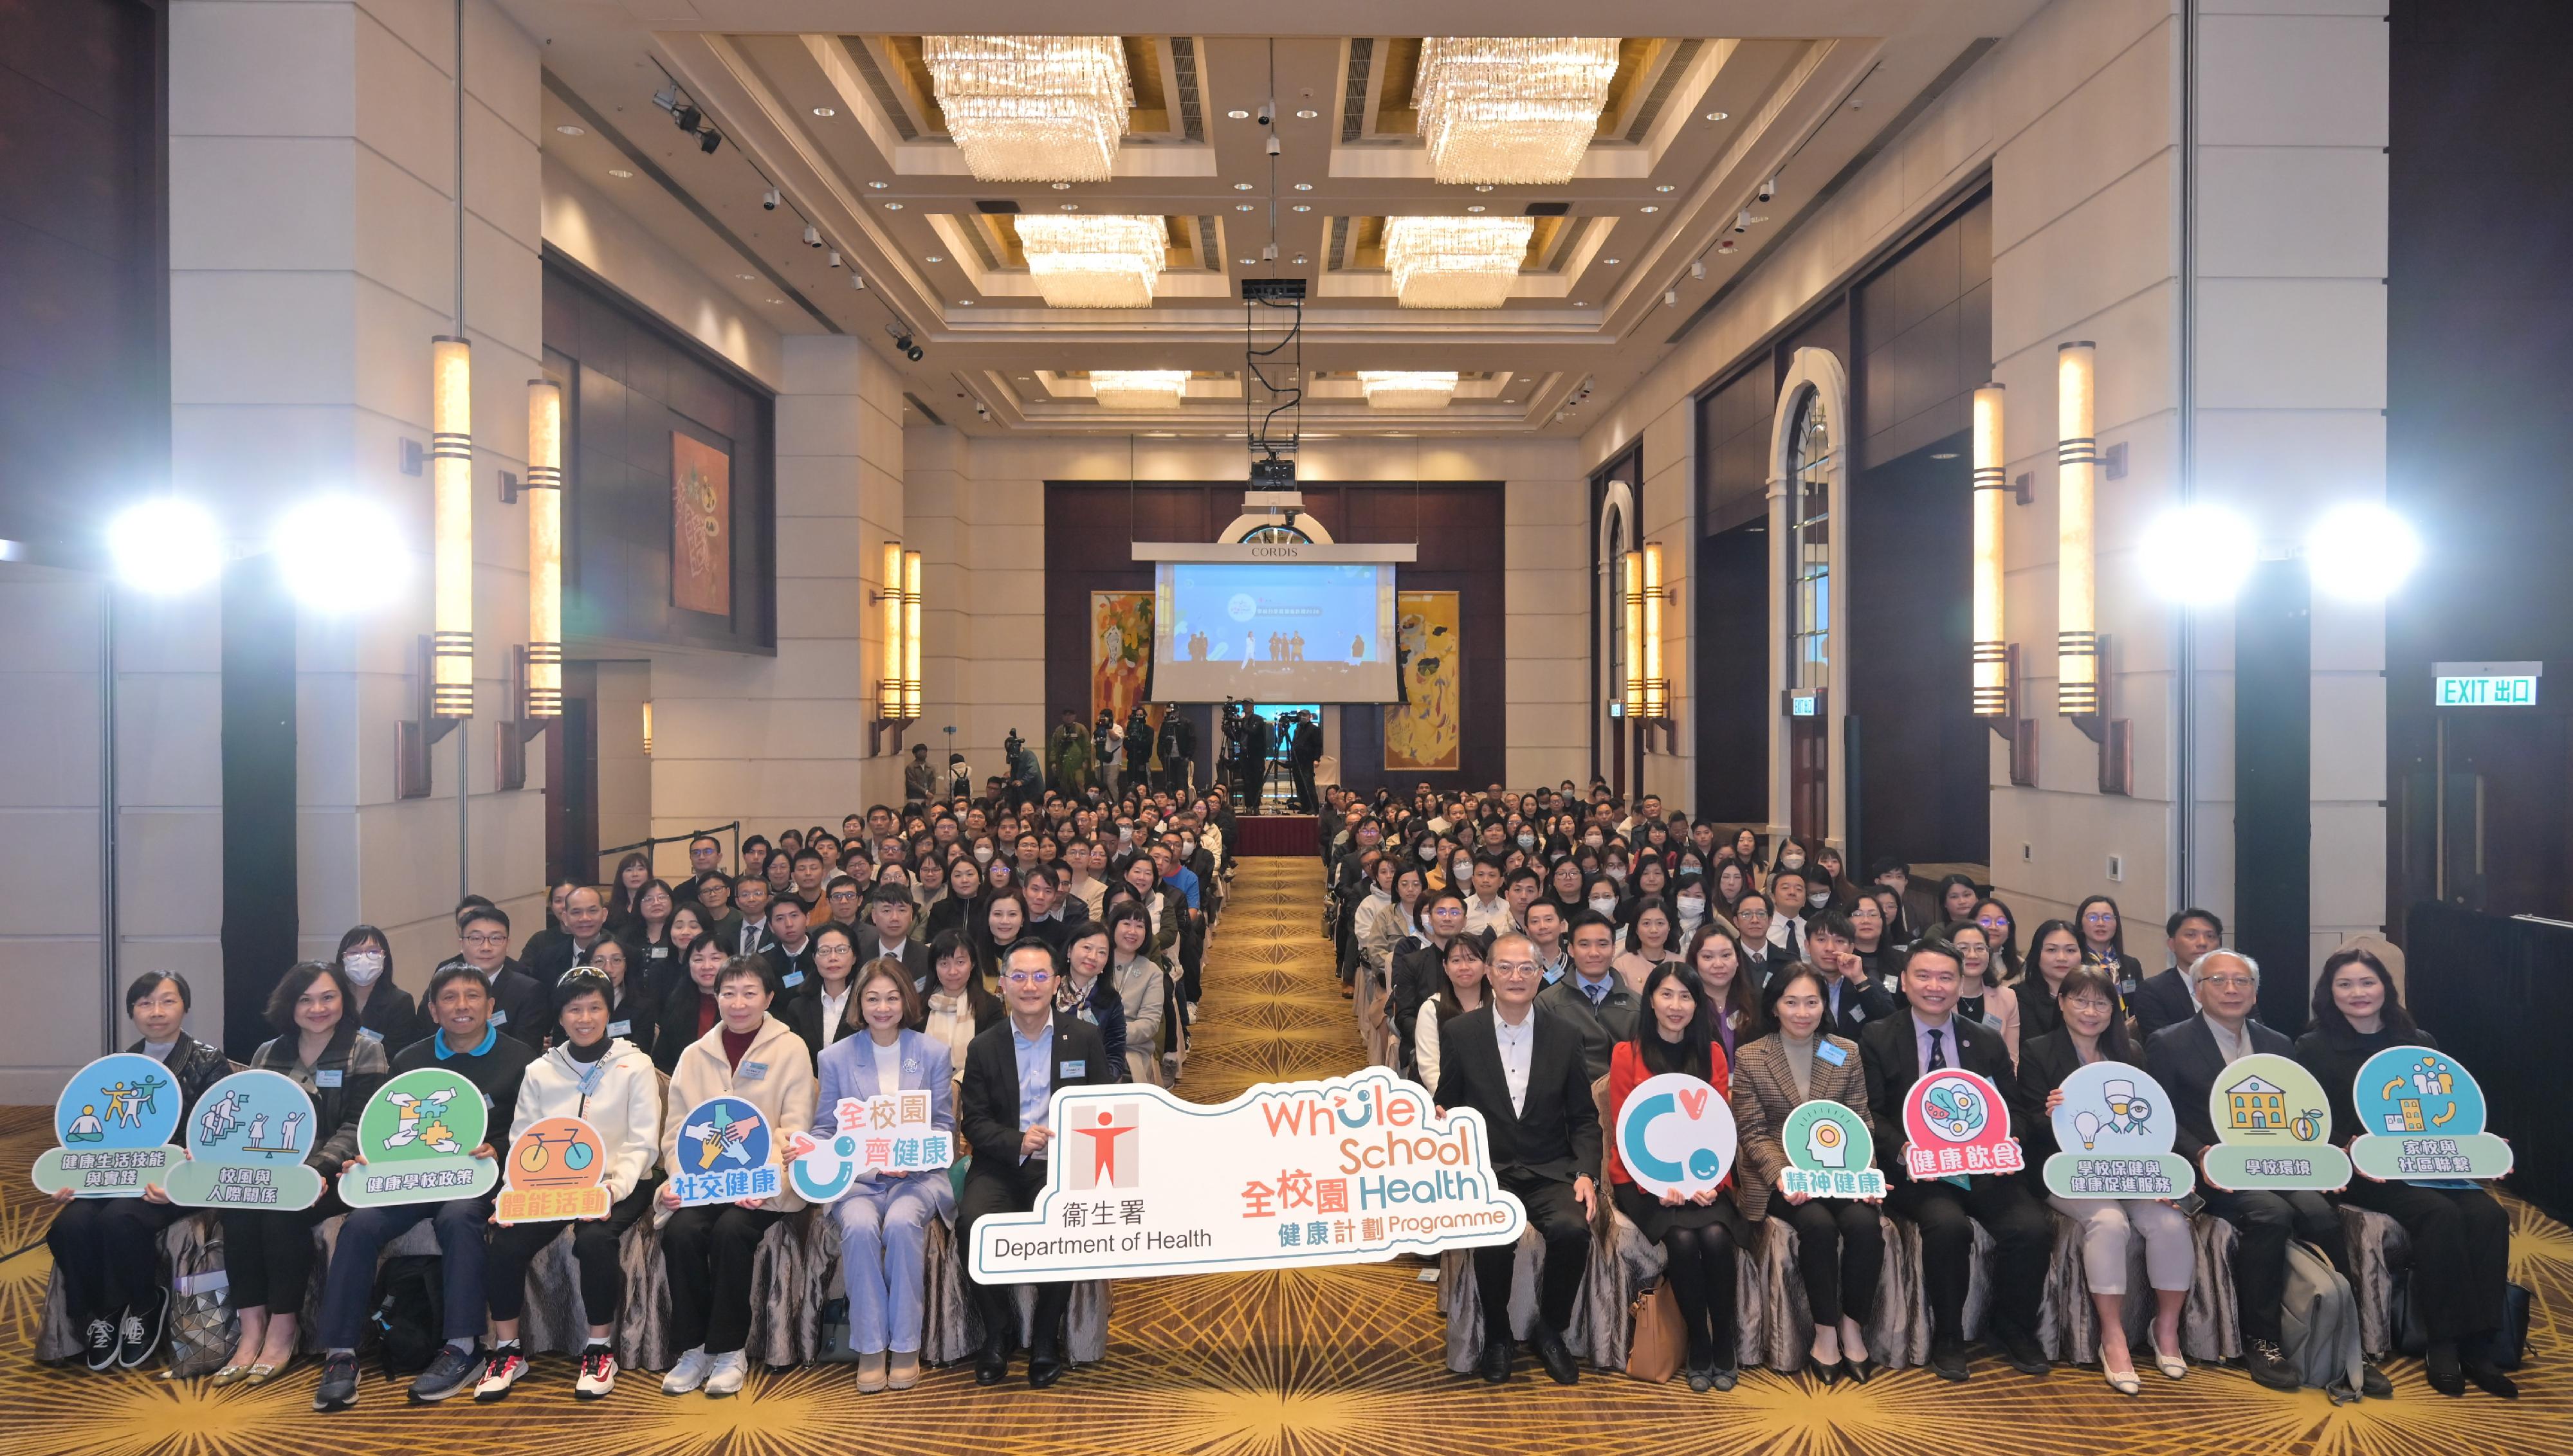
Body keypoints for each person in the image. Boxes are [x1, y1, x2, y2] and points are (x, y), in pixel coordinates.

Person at [2146, 949, 2377, 1395]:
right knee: (2271, 1213)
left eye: (2243, 981)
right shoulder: (2168, 1042)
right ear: (2198, 991)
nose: (2231, 989)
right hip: (2214, 1172)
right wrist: (2199, 1153)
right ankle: (2262, 1339)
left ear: (2255, 993)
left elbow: (2298, 1112)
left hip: (2276, 1163)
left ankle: (2348, 1343)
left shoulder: (2278, 1044)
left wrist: (2321, 1156)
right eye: (2218, 981)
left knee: (2321, 1214)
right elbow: (2162, 1115)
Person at [2296, 947, 2515, 1399]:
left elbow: (2446, 1107)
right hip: (2366, 1170)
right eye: (2345, 984)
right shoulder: (2312, 1047)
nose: (2358, 992)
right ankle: (2443, 1342)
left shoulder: (2419, 1041)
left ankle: (2480, 1344)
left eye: (2367, 982)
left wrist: (2481, 1146)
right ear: (2329, 992)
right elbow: (2308, 1117)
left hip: (2430, 1160)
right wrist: (2347, 1145)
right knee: (2439, 1215)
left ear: (2386, 987)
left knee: (2489, 1216)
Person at [313, 963, 532, 1410]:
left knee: (459, 1218)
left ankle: (463, 1347)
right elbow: (388, 1127)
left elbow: (532, 1130)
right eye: (449, 998)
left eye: (473, 996)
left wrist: (500, 1147)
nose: (461, 1006)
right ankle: (340, 1353)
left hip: (475, 1178)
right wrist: (371, 1157)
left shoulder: (521, 1059)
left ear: (490, 1005)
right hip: (411, 1179)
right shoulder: (409, 1062)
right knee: (360, 1225)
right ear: (433, 1010)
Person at [1860, 940, 2053, 1382]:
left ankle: (2013, 1327)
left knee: (2031, 1228)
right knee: (1948, 1227)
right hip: (1918, 1172)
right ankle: (1949, 1335)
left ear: (1961, 982)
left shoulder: (1985, 1039)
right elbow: (1869, 1111)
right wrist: (1902, 1148)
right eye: (1923, 976)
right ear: (1904, 981)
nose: (1935, 986)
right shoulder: (1877, 1036)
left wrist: (2009, 1141)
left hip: (1982, 1167)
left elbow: (2013, 1110)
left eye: (1946, 977)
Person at [475, 968, 661, 1402]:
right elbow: (523, 1141)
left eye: (595, 1007)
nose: (585, 1018)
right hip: (551, 1186)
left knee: (594, 1240)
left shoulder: (635, 1065)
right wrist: (511, 1197)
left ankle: (599, 1349)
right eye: (575, 1009)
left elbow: (642, 1142)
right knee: (505, 1243)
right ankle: (508, 1351)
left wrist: (611, 1190)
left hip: (618, 1182)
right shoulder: (540, 1070)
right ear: (560, 1016)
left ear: (609, 1011)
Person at [2009, 967, 2190, 1395]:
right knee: (2109, 1223)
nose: (2091, 1011)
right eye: (2081, 1001)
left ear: (2114, 1009)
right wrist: (2050, 1114)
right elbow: (2027, 1126)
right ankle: (2113, 1335)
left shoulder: (2131, 1053)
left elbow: (2153, 1121)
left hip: (2128, 1170)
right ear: (2062, 1003)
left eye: (2102, 1003)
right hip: (2068, 1173)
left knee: (2170, 1224)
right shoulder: (2037, 1051)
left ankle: (2166, 1329)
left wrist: (2158, 1176)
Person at [212, 961, 389, 1385]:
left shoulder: (365, 1049)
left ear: (343, 1000)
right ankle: (251, 1328)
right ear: (289, 1005)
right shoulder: (267, 1053)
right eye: (305, 1000)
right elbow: (253, 1117)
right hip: (273, 1167)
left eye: (328, 997)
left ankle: (283, 1328)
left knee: (282, 1213)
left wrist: (316, 1168)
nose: (317, 1008)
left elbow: (359, 1124)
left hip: (339, 1170)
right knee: (237, 1213)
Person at [1434, 932, 1600, 1385]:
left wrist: (1585, 1173)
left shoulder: (1564, 1035)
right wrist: (1440, 1121)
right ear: (1488, 974)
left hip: (1550, 1168)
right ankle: (1499, 1335)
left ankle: (1551, 1330)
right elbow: (1447, 1103)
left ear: (1541, 974)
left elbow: (1584, 1118)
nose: (1515, 977)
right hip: (1489, 1170)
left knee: (1572, 1230)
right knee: (1492, 1237)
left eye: (1526, 968)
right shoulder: (1461, 1033)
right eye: (1504, 967)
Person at [48, 972, 227, 1373]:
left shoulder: (208, 1061)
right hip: (116, 1176)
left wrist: (182, 1175)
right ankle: (104, 1312)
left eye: (168, 1001)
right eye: (145, 1003)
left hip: (177, 1180)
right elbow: (94, 1133)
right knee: (69, 1226)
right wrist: (73, 1177)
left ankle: (146, 1304)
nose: (156, 1012)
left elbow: (218, 1134)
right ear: (132, 1012)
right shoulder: (120, 1065)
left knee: (119, 1220)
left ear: (185, 1007)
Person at [656, 955, 818, 1398]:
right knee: (682, 1232)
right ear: (716, 997)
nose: (739, 1003)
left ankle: (729, 1351)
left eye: (750, 993)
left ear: (769, 997)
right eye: (729, 993)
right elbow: (677, 1133)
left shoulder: (791, 1049)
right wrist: (682, 1180)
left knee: (731, 1231)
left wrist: (763, 1181)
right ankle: (694, 1349)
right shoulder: (694, 1055)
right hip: (707, 1183)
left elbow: (796, 1130)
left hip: (766, 1185)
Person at [958, 939, 1117, 1388]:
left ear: (1057, 983)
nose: (1030, 986)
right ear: (1004, 985)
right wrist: (1017, 1141)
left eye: (1041, 976)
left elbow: (1104, 1108)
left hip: (1061, 1166)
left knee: (1063, 1223)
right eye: (1020, 977)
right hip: (1000, 1164)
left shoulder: (1082, 1038)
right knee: (973, 1224)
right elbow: (975, 1122)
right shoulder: (983, 1046)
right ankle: (998, 1332)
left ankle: (1046, 1338)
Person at [1730, 964, 1882, 1382]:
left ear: (1823, 1006)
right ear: (1774, 1007)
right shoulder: (1751, 1056)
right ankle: (1825, 1333)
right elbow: (1752, 1131)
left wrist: (1866, 1176)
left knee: (1865, 1224)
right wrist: (1783, 1175)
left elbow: (1860, 1122)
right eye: (1792, 1002)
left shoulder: (1844, 1051)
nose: (1802, 1012)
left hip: (1838, 1170)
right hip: (1783, 1175)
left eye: (1812, 1002)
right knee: (1818, 1226)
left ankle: (1853, 1325)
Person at [815, 958, 956, 1394]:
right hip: (859, 1179)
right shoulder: (835, 1057)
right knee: (858, 1227)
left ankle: (907, 1345)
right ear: (859, 1003)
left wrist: (911, 1157)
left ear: (906, 1001)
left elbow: (944, 1127)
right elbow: (825, 1130)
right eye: (873, 998)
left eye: (892, 998)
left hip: (917, 1178)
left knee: (900, 1223)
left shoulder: (932, 1052)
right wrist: (812, 1150)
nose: (882, 1008)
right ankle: (871, 1346)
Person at [1606, 962, 1748, 1391]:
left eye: (1686, 996)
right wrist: (1656, 1185)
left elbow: (1718, 1129)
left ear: (1697, 1004)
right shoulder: (1626, 1054)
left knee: (1717, 1237)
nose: (1676, 1005)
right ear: (1650, 1000)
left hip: (1703, 1177)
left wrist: (1712, 1183)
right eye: (1666, 994)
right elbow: (1626, 1131)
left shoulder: (1713, 1054)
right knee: (1683, 1240)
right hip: (1643, 1179)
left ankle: (1724, 1340)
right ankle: (1699, 1342)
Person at [1535, 909, 1639, 1081]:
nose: (1594, 953)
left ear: (1614, 949)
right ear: (1571, 949)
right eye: (1584, 945)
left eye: (1603, 944)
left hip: (1622, 1091)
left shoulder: (1636, 1005)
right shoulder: (1548, 1002)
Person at [452, 905, 551, 1050]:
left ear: (507, 944)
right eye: (476, 938)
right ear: (462, 944)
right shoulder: (444, 986)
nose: (486, 947)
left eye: (496, 938)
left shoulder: (528, 991)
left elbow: (525, 1051)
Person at [919, 929, 1002, 1099]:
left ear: (973, 964)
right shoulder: (918, 1006)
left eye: (960, 962)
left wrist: (957, 1085)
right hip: (923, 1095)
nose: (953, 971)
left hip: (975, 1096)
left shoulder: (990, 1007)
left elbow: (993, 1060)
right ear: (934, 966)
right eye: (944, 963)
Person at [1412, 931, 1491, 1093]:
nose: (1464, 967)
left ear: (1486, 967)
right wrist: (1448, 1102)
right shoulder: (1432, 1009)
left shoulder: (1500, 1005)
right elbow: (1430, 1068)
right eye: (1456, 961)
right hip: (1447, 1098)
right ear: (1445, 967)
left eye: (1472, 959)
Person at [2130, 907, 2223, 1041]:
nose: (2202, 943)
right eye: (2191, 935)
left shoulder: (2236, 985)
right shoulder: (2153, 991)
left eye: (2210, 936)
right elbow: (2161, 1043)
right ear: (2172, 944)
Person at [1056, 920, 1130, 1080]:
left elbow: (1116, 1057)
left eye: (1102, 952)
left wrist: (1095, 1082)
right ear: (1069, 951)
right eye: (1087, 948)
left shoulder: (1111, 1001)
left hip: (1094, 1085)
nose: (1093, 957)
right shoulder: (1049, 992)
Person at [1104, 902, 1169, 1086]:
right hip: (1089, 1044)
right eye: (1126, 923)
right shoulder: (1097, 961)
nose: (1132, 931)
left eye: (1140, 926)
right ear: (1113, 926)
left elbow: (1149, 1024)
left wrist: (1110, 1033)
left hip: (1131, 1049)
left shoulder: (1152, 972)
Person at [1683, 924, 1764, 1066]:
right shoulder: (1684, 1007)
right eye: (1708, 957)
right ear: (1695, 962)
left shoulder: (1759, 1003)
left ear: (1737, 959)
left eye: (1726, 955)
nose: (1718, 964)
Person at [1943, 920, 2022, 1066]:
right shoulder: (1938, 995)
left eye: (1980, 948)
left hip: (1994, 1077)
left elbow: (2012, 1058)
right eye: (1963, 948)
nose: (1973, 955)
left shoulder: (2007, 997)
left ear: (1989, 953)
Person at [335, 924, 425, 1048]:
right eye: (354, 952)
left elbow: (398, 1054)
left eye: (373, 952)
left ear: (385, 959)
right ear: (342, 959)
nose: (364, 959)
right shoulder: (334, 999)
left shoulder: (400, 1002)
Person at [786, 923, 866, 1058]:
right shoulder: (798, 1007)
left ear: (854, 957)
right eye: (824, 951)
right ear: (814, 959)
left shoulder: (867, 1002)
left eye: (841, 950)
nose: (833, 958)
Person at [655, 935, 732, 1075]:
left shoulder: (741, 1007)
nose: (707, 966)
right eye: (698, 960)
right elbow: (662, 1062)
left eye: (715, 958)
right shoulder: (675, 1003)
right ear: (689, 964)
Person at [580, 934, 659, 1064]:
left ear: (626, 965)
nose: (608, 969)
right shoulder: (571, 1004)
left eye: (616, 960)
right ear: (588, 966)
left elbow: (640, 1056)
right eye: (599, 961)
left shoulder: (643, 1008)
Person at [2014, 918, 2088, 1042]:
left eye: (2070, 950)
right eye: (2052, 950)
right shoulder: (2020, 996)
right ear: (2037, 954)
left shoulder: (2094, 995)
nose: (2062, 958)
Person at [2074, 895, 2145, 1000]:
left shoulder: (2131, 965)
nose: (2101, 923)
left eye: (2107, 918)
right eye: (2093, 918)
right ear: (2081, 925)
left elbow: (2140, 1004)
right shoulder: (2074, 963)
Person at [1611, 895, 1683, 992]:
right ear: (1636, 929)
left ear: (1669, 927)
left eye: (1660, 923)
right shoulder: (1622, 965)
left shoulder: (1681, 963)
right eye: (1646, 923)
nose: (1654, 930)